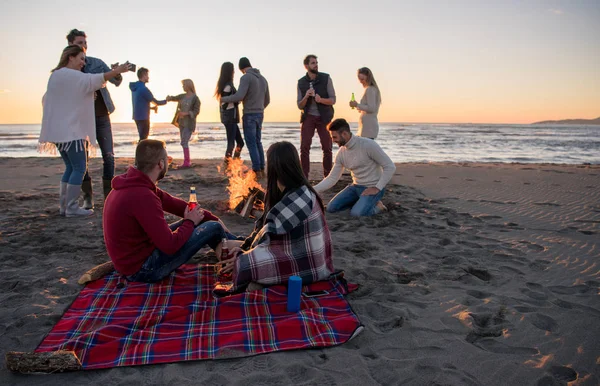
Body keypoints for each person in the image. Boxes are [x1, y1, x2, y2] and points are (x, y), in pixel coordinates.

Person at [103, 139, 239, 282]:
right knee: (213, 228)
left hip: (136, 259)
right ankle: (240, 250)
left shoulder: (135, 184)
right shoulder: (143, 196)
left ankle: (237, 245)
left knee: (209, 223)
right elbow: (170, 245)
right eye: (167, 159)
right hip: (143, 270)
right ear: (161, 164)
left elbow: (178, 206)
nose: (168, 163)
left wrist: (212, 218)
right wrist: (190, 222)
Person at [219, 141, 334, 292]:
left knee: (244, 265)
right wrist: (245, 248)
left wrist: (243, 255)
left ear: (273, 167)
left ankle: (261, 282)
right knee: (234, 250)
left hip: (309, 262)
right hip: (298, 251)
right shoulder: (293, 189)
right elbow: (265, 233)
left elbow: (267, 236)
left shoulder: (298, 197)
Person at [39, 45, 130, 217]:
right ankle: (72, 208)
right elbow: (94, 80)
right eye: (81, 58)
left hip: (58, 131)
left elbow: (55, 98)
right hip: (70, 131)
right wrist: (117, 70)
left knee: (70, 167)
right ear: (70, 57)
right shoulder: (70, 74)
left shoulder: (56, 76)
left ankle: (64, 206)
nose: (83, 62)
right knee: (80, 167)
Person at [67, 29, 122, 206]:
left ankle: (108, 198)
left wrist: (116, 72)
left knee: (109, 156)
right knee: (83, 160)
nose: (83, 46)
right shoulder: (68, 69)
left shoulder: (97, 63)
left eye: (85, 43)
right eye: (79, 43)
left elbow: (116, 81)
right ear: (70, 45)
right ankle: (88, 198)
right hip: (81, 118)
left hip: (102, 116)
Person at [313, 118, 396, 216]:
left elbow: (390, 167)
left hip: (373, 187)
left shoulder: (368, 145)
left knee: (356, 214)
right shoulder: (341, 153)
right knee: (331, 208)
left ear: (344, 134)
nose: (333, 140)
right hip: (355, 187)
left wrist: (377, 188)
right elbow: (332, 178)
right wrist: (313, 190)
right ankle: (361, 202)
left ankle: (379, 206)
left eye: (334, 137)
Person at [219, 57, 270, 178]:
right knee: (258, 142)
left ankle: (257, 170)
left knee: (251, 142)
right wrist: (260, 108)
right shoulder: (263, 79)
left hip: (249, 114)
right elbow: (267, 100)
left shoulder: (246, 77)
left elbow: (239, 96)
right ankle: (262, 169)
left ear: (241, 68)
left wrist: (223, 99)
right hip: (260, 114)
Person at [297, 54, 336, 179]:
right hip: (308, 116)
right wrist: (306, 96)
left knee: (327, 147)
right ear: (306, 66)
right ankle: (304, 177)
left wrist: (321, 100)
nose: (316, 65)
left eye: (316, 62)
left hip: (324, 117)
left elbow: (333, 100)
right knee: (304, 147)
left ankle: (328, 177)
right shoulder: (301, 82)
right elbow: (299, 105)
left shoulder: (326, 78)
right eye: (313, 63)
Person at [214, 62, 244, 167]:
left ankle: (234, 162)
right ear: (230, 71)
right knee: (231, 143)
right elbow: (225, 103)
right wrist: (238, 100)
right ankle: (228, 164)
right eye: (233, 70)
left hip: (230, 118)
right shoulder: (227, 86)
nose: (234, 72)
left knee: (240, 143)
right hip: (230, 117)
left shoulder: (226, 85)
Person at [166, 79, 200, 168]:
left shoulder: (195, 98)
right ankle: (187, 161)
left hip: (189, 123)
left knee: (184, 142)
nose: (183, 87)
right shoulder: (182, 96)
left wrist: (186, 113)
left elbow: (196, 111)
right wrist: (169, 98)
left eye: (184, 85)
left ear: (188, 85)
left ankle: (187, 162)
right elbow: (174, 98)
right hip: (181, 123)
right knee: (183, 141)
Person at [130, 67, 167, 140]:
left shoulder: (135, 87)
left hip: (137, 116)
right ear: (143, 75)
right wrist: (167, 100)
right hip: (143, 117)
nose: (148, 77)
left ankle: (141, 151)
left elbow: (140, 104)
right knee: (143, 139)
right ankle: (141, 151)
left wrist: (151, 108)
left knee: (142, 138)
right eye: (147, 75)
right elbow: (156, 102)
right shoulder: (143, 89)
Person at [349, 67, 382, 139]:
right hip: (367, 127)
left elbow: (371, 108)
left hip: (368, 128)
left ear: (368, 77)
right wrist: (358, 106)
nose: (361, 81)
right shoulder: (371, 89)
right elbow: (368, 108)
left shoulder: (370, 89)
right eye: (359, 79)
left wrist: (357, 105)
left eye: (362, 79)